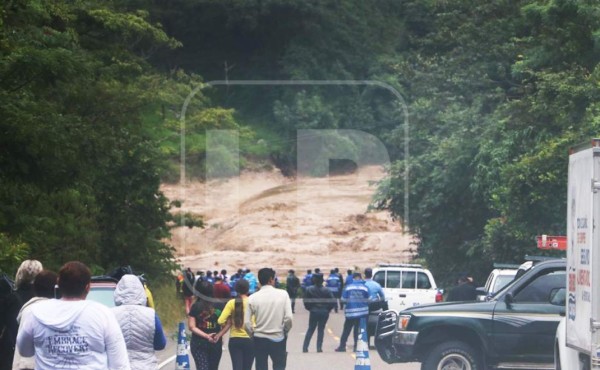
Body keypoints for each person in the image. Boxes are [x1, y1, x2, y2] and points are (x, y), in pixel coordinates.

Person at [16, 261, 130, 370]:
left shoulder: (36, 312)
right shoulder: (103, 314)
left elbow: (24, 350)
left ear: (59, 284)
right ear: (87, 287)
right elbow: (119, 365)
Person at [112, 274, 166, 370]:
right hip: (147, 366)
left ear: (118, 291)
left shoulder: (109, 315)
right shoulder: (151, 315)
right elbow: (160, 344)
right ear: (141, 291)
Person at [245, 267, 293, 370]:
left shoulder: (252, 298)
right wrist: (285, 330)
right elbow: (288, 318)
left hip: (259, 338)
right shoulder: (283, 294)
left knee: (261, 366)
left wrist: (252, 334)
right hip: (278, 337)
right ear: (271, 279)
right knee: (279, 366)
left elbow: (246, 323)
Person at [12, 269, 57, 370]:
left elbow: (22, 343)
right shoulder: (56, 311)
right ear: (56, 289)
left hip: (23, 363)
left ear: (35, 289)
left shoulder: (28, 309)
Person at [3, 260, 43, 369]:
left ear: (19, 274)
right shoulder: (46, 300)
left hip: (11, 354)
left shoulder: (9, 299)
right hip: (39, 356)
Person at [218, 279, 254, 370]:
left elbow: (220, 320)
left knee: (237, 367)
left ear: (236, 289)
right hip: (250, 339)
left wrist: (230, 320)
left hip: (235, 340)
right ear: (248, 289)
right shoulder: (253, 302)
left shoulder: (231, 303)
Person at [188, 280, 224, 370]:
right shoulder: (220, 305)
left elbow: (191, 326)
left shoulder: (195, 306)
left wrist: (206, 336)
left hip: (198, 342)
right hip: (215, 342)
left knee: (202, 367)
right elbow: (226, 324)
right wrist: (219, 335)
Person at [335, 272, 369, 352]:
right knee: (357, 330)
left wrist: (350, 302)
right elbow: (369, 299)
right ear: (360, 278)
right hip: (362, 313)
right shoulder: (365, 287)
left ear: (353, 278)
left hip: (350, 313)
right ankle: (356, 347)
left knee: (346, 330)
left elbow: (343, 299)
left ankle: (342, 346)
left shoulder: (348, 287)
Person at [302, 274, 335, 353]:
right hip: (324, 312)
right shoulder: (327, 290)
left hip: (314, 311)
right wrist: (328, 309)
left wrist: (310, 308)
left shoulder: (309, 289)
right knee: (321, 329)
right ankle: (319, 348)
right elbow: (333, 301)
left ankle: (305, 347)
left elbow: (305, 301)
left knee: (310, 329)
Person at [363, 267, 386, 347]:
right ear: (371, 275)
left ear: (364, 274)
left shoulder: (362, 284)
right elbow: (383, 297)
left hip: (364, 306)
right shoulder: (376, 285)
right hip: (374, 307)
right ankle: (387, 318)